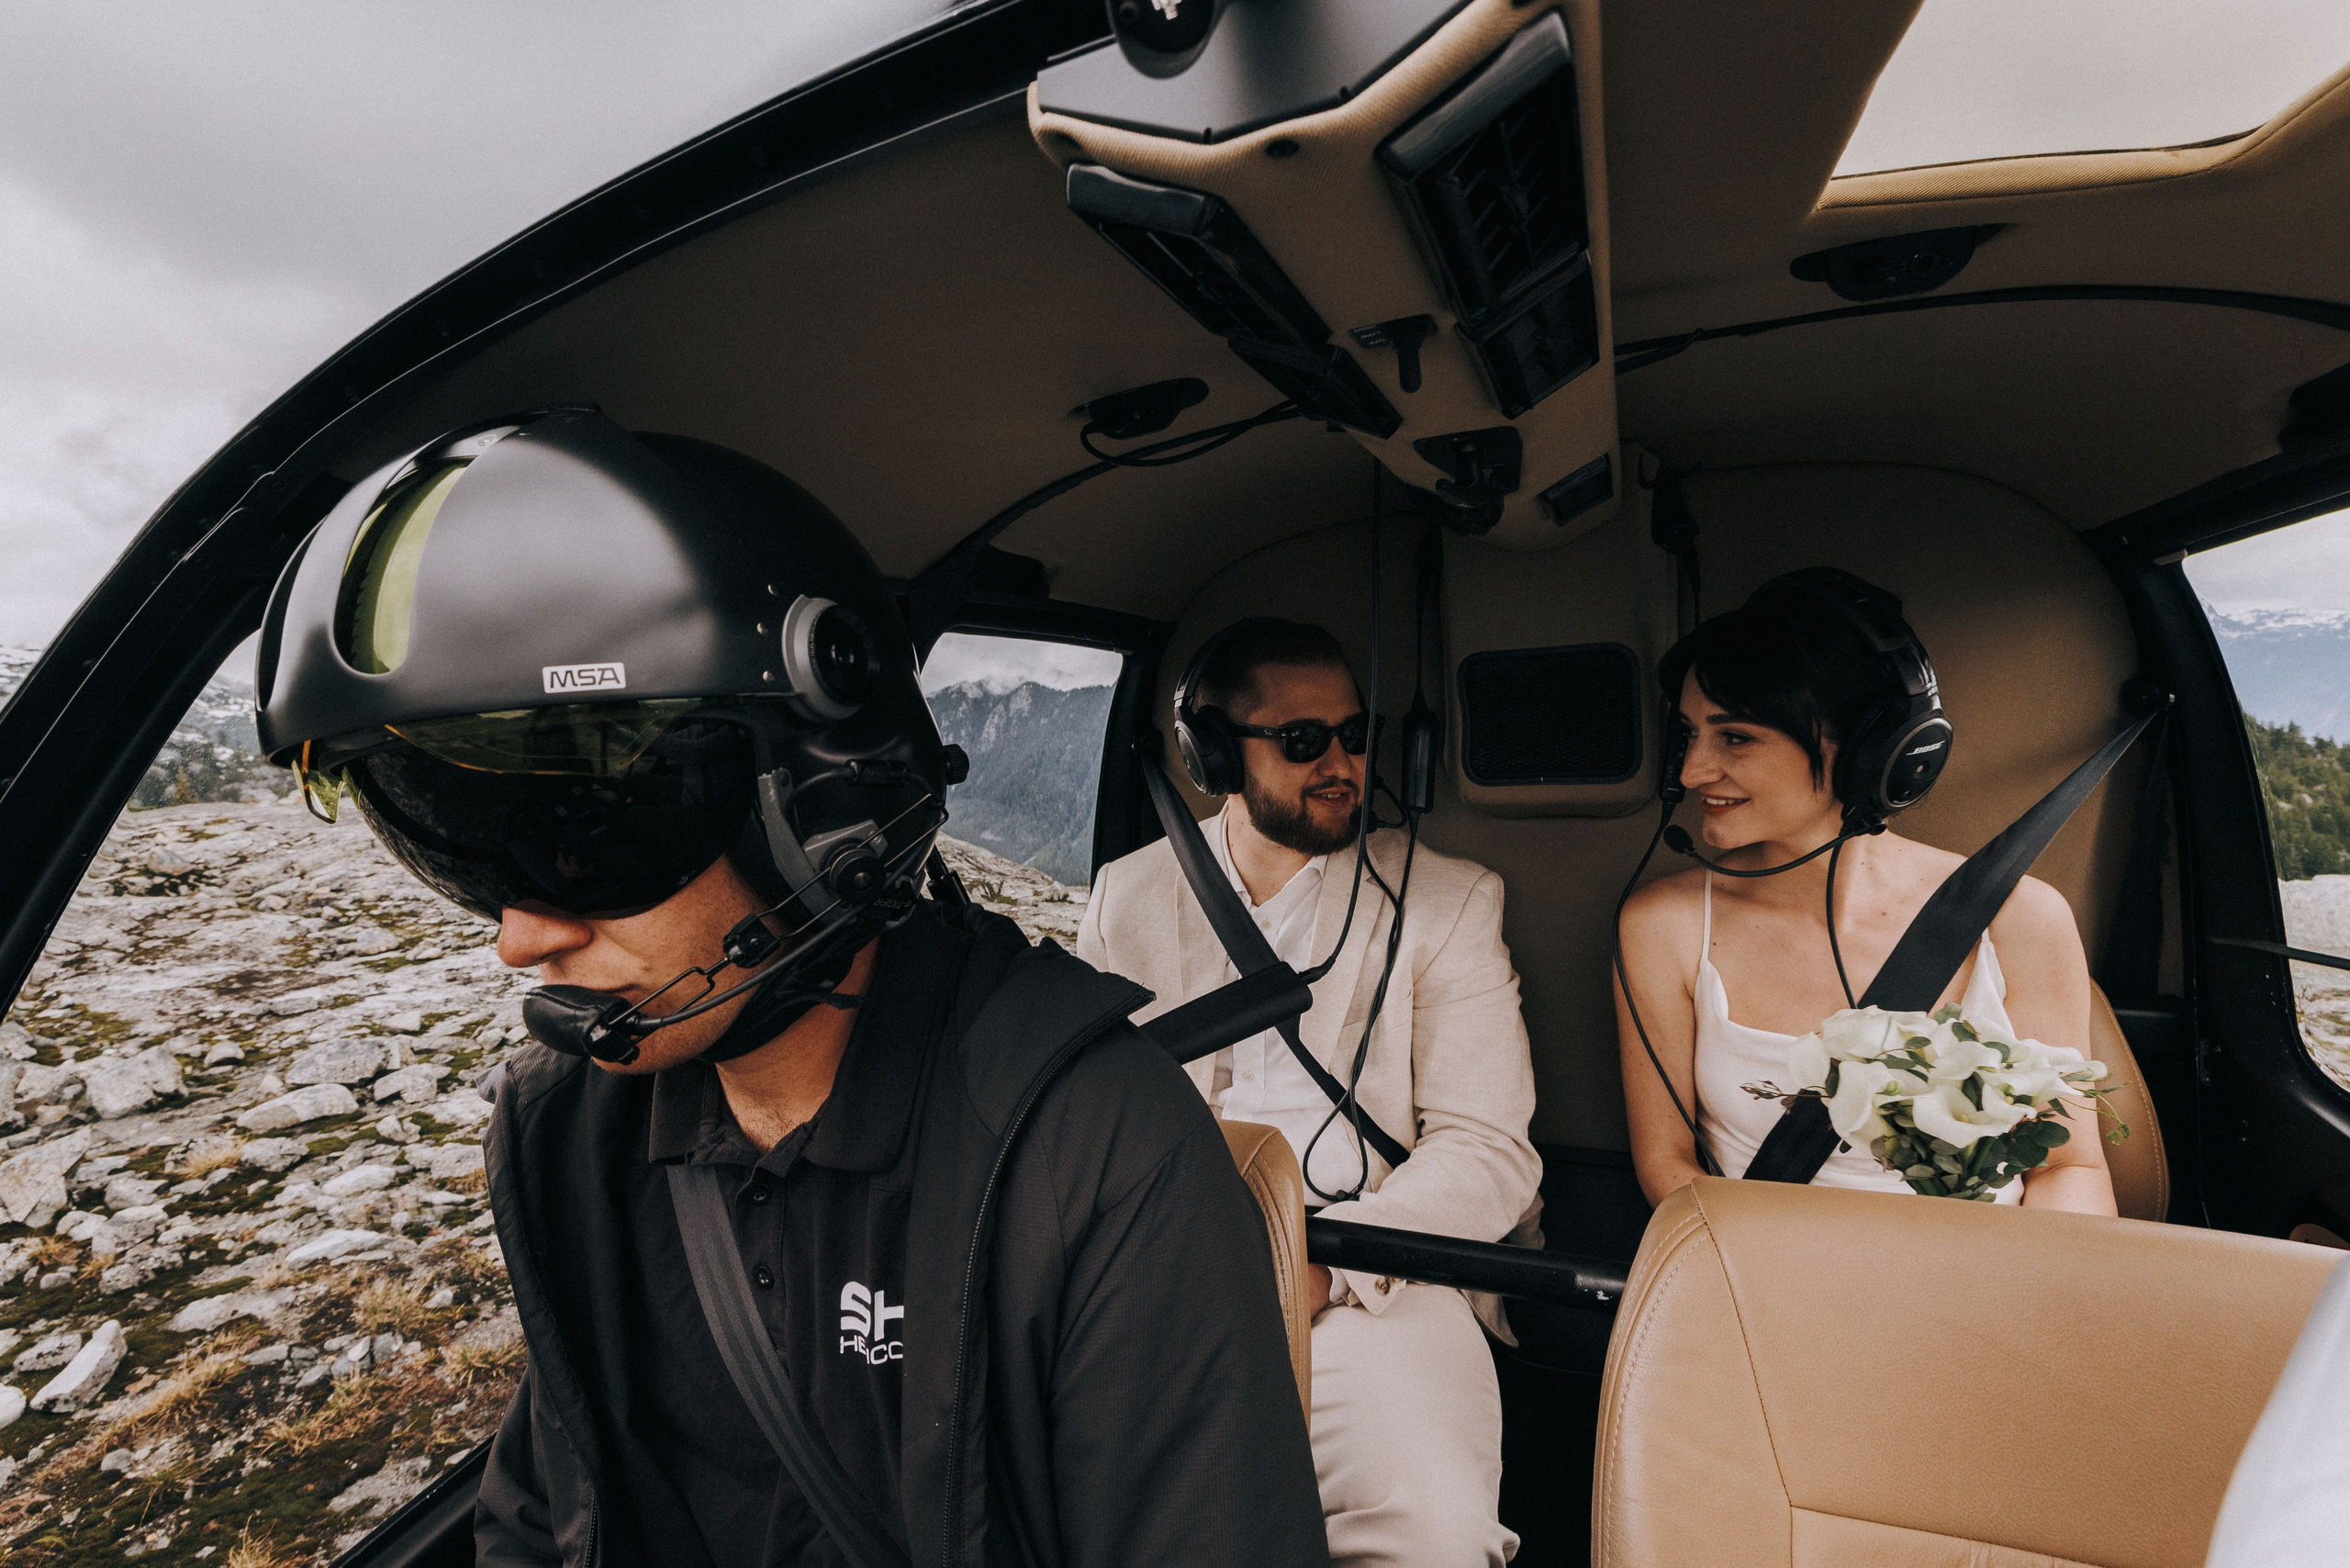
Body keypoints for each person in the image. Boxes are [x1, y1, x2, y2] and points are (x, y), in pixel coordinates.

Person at [252, 409, 1326, 1568]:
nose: (519, 937)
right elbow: (544, 1514)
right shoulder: (567, 1122)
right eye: (455, 844)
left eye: (595, 834)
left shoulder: (1093, 1154)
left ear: (824, 813)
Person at [1078, 616, 1539, 1568]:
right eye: (1301, 741)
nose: (1340, 762)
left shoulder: (1448, 901)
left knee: (1429, 1537)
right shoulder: (1125, 893)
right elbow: (1091, 1117)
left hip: (1376, 1277)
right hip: (1164, 1272)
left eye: (1354, 733)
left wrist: (1322, 1270)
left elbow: (1488, 1153)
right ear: (1212, 752)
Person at [1614, 572, 2117, 1215]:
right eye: (1689, 734)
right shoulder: (1665, 926)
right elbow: (1667, 1164)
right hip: (1769, 1279)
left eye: (1735, 737)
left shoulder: (2022, 917)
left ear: (1873, 751)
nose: (1691, 772)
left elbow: (2069, 1164)